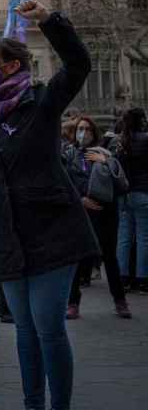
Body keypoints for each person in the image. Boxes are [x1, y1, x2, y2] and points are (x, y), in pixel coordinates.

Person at [0, 1, 95, 410]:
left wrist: (48, 21)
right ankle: (33, 404)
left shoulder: (41, 102)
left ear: (12, 67)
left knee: (48, 327)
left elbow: (77, 64)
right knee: (24, 330)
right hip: (4, 234)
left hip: (53, 230)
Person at [64, 115, 131, 319]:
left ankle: (120, 301)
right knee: (78, 258)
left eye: (87, 129)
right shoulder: (69, 155)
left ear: (94, 132)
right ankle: (73, 303)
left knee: (109, 257)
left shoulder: (104, 153)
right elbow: (64, 183)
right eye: (80, 129)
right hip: (82, 211)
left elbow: (122, 184)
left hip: (104, 212)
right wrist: (80, 199)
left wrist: (107, 161)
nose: (83, 133)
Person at [116, 107, 148, 293]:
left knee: (124, 236)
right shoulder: (145, 139)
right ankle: (143, 278)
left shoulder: (121, 141)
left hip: (124, 193)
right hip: (143, 192)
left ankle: (123, 277)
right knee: (144, 237)